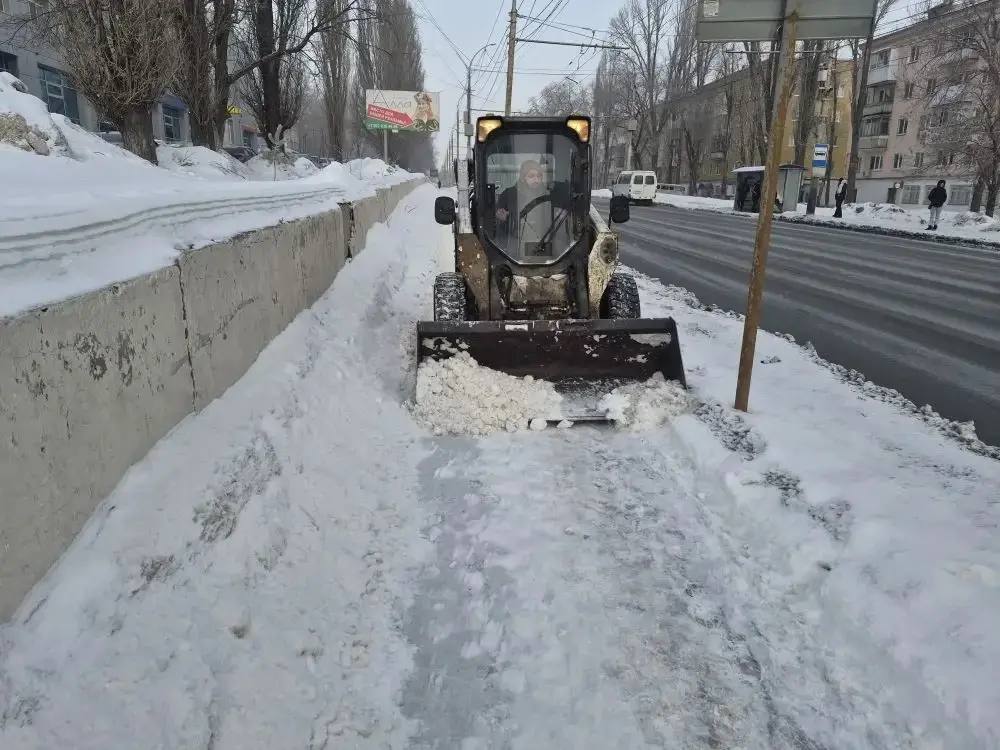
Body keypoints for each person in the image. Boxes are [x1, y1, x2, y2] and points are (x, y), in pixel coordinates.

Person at [495, 159, 557, 255]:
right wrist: (501, 218)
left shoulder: (549, 195)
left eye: (539, 176)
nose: (536, 180)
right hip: (515, 244)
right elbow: (498, 222)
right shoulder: (508, 195)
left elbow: (555, 218)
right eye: (531, 176)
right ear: (523, 178)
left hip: (543, 243)